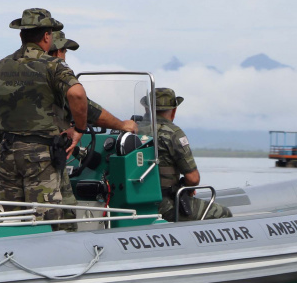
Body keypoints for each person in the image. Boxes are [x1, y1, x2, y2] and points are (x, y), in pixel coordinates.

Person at [0, 8, 89, 222]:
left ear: (21, 35)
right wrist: (79, 129)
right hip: (40, 156)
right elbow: (76, 94)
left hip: (6, 154)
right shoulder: (54, 66)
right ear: (47, 36)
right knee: (46, 222)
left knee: (12, 219)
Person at [48, 30, 139, 229]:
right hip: (47, 158)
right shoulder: (54, 70)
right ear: (58, 51)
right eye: (64, 51)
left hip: (8, 158)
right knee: (63, 220)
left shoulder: (9, 68)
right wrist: (123, 125)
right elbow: (83, 105)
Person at [144, 87, 231, 222]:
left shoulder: (132, 131)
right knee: (224, 213)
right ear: (174, 111)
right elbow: (193, 178)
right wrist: (185, 186)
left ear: (146, 109)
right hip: (164, 206)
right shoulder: (173, 133)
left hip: (136, 203)